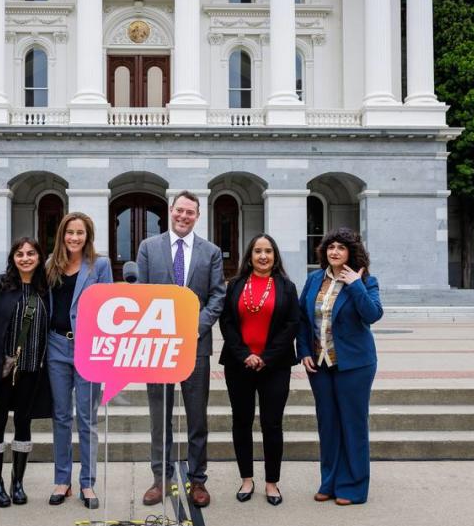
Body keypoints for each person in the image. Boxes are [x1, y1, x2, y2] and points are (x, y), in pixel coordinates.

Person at [137, 190, 226, 508]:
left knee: (197, 416)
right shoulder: (149, 248)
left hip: (196, 346)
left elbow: (217, 296)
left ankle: (197, 480)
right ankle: (161, 479)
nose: (183, 216)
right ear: (170, 211)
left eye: (190, 212)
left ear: (197, 216)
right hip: (158, 346)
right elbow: (141, 295)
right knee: (159, 417)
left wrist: (195, 327)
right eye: (179, 211)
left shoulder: (211, 252)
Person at [296, 227, 383, 506]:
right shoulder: (314, 280)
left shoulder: (366, 281)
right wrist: (304, 351)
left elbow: (372, 314)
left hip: (355, 365)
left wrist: (355, 284)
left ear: (351, 252)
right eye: (331, 247)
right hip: (320, 365)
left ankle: (353, 486)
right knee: (328, 425)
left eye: (341, 247)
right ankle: (330, 482)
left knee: (353, 424)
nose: (335, 251)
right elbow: (301, 318)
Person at [0, 238, 51, 508]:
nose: (25, 258)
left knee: (24, 423)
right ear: (12, 257)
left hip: (32, 369)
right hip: (1, 369)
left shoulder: (46, 287)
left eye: (31, 253)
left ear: (39, 257)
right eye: (19, 253)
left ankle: (17, 482)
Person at [218, 234, 300, 506]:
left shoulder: (287, 287)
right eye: (257, 251)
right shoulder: (235, 285)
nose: (263, 256)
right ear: (249, 256)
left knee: (271, 423)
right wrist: (245, 355)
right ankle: (246, 478)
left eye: (268, 251)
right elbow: (227, 322)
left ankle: (271, 482)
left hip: (275, 366)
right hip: (239, 364)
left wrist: (265, 357)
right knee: (241, 421)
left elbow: (291, 325)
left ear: (275, 256)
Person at [45, 212, 113, 509]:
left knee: (87, 418)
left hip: (88, 347)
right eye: (70, 232)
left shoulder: (100, 265)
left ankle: (88, 483)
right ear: (62, 234)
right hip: (56, 346)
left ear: (88, 236)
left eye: (80, 233)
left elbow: (109, 307)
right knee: (61, 416)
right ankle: (62, 480)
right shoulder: (50, 265)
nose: (74, 238)